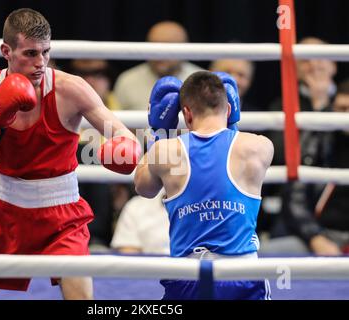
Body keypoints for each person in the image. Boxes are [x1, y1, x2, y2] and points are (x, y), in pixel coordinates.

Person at [0, 8, 141, 300]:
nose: (40, 63)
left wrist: (125, 149)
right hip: (5, 213)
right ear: (6, 51)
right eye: (30, 54)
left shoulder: (71, 89)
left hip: (62, 217)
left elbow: (124, 135)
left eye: (45, 52)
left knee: (83, 300)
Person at [134, 71, 274, 299]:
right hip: (244, 272)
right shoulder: (260, 147)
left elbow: (143, 188)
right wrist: (233, 124)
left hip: (188, 276)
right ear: (229, 109)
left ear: (186, 114)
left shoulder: (165, 152)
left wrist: (158, 132)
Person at [261, 79, 349, 255]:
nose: (346, 116)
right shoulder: (318, 139)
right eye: (342, 109)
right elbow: (295, 195)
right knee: (266, 253)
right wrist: (314, 237)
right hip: (320, 235)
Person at [114, 21, 203, 110]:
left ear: (185, 48)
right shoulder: (127, 81)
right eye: (154, 46)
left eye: (168, 46)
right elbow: (112, 121)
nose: (160, 54)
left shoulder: (202, 81)